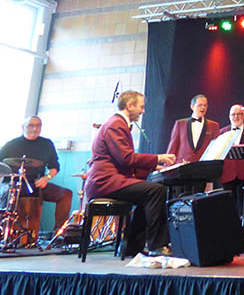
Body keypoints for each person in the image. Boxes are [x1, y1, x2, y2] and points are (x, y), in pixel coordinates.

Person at [86, 91, 175, 256]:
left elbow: (122, 160)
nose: (143, 111)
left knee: (149, 193)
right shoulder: (116, 124)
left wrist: (154, 167)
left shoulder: (117, 123)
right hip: (104, 181)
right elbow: (126, 158)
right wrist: (157, 158)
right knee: (156, 190)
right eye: (141, 107)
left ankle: (132, 246)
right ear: (130, 106)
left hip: (109, 180)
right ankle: (156, 246)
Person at [0, 115, 73, 237]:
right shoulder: (11, 145)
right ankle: (6, 234)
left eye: (38, 125)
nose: (35, 129)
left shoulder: (47, 144)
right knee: (8, 195)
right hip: (14, 184)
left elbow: (55, 166)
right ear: (23, 127)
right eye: (31, 125)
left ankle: (59, 234)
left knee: (66, 194)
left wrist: (47, 178)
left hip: (38, 183)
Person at [166, 94, 221, 163]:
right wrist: (166, 168)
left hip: (203, 167)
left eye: (205, 105)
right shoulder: (180, 124)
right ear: (192, 106)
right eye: (200, 105)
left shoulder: (214, 126)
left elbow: (216, 149)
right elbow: (172, 148)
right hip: (182, 166)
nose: (203, 108)